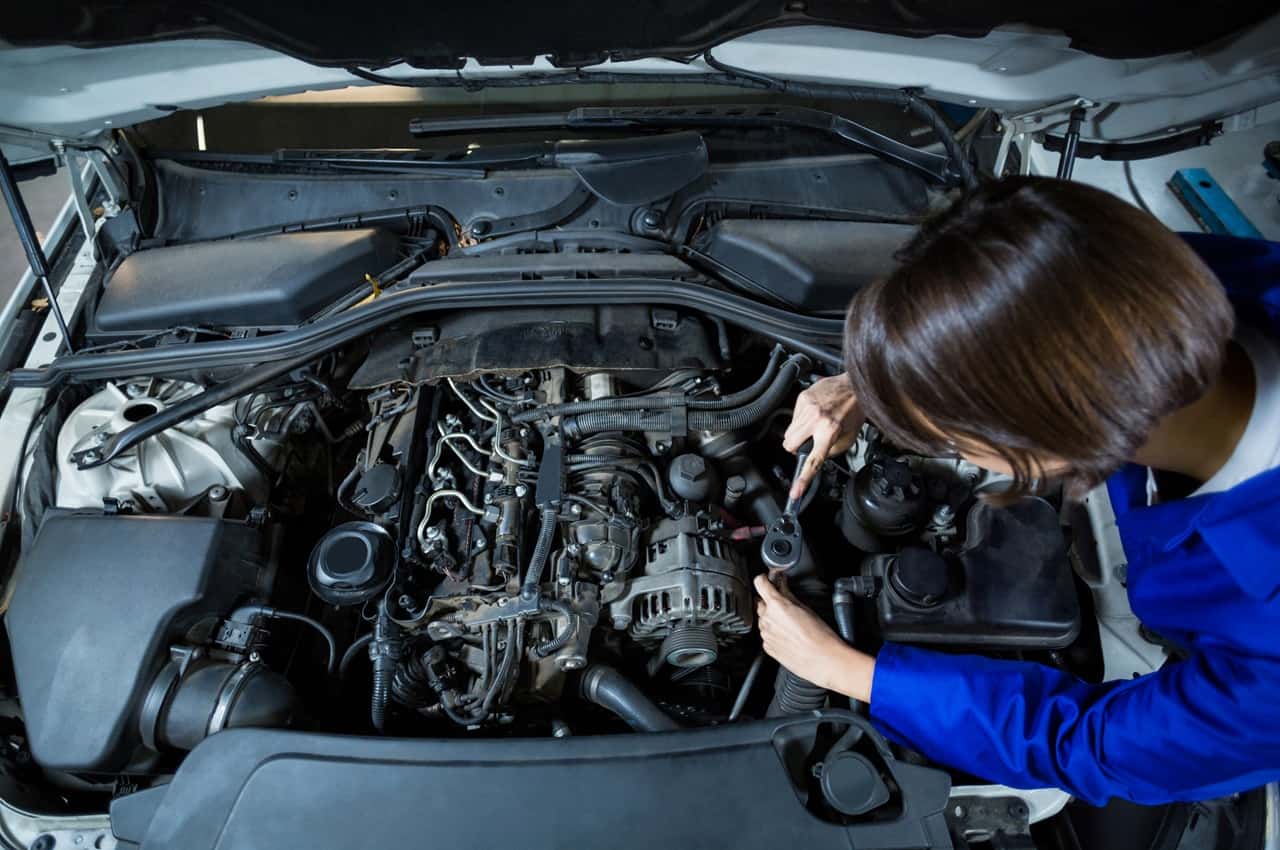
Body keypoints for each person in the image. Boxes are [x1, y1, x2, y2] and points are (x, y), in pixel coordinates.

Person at [754, 176, 1280, 806]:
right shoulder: (1151, 279)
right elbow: (1026, 317)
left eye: (946, 436)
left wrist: (851, 673)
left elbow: (1094, 745)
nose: (944, 450)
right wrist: (873, 385)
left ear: (1048, 440)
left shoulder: (1268, 645)